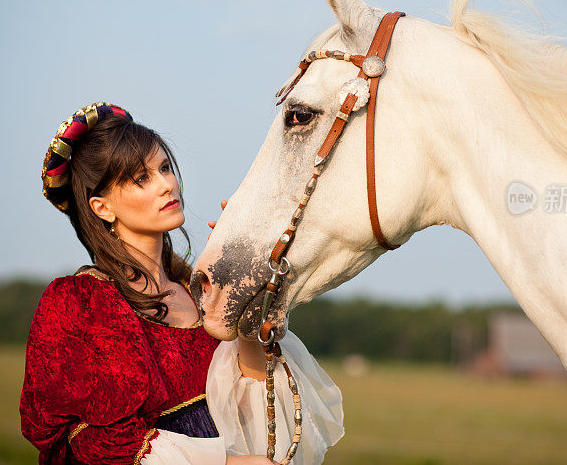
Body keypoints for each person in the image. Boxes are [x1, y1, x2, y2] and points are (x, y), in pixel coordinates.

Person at [20, 103, 343, 464]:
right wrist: (223, 463)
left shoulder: (199, 287)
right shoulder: (79, 301)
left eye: (165, 168)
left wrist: (243, 294)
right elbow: (91, 443)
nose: (166, 184)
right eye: (141, 179)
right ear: (102, 207)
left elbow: (252, 416)